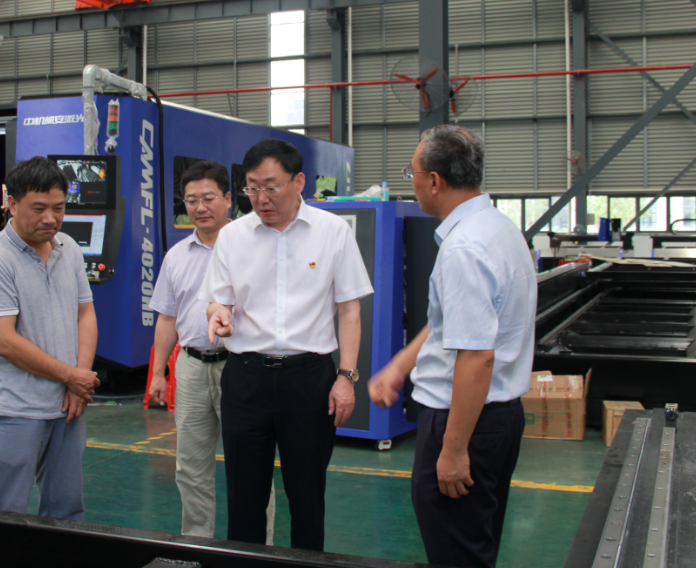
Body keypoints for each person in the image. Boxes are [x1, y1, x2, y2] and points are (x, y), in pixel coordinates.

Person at [369, 125, 535, 568]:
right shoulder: (499, 229)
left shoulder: (465, 247)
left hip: (464, 421)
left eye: (412, 173)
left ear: (435, 181)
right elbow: (453, 326)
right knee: (475, 543)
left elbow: (477, 357)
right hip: (498, 417)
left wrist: (455, 449)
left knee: (457, 553)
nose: (411, 182)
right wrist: (401, 365)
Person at [201, 139, 372, 551]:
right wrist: (218, 314)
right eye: (252, 187)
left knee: (307, 497)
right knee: (244, 498)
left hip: (309, 380)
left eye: (271, 187)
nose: (261, 199)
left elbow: (350, 310)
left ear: (299, 182)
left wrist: (346, 377)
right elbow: (218, 299)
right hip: (246, 379)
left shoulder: (332, 232)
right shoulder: (232, 236)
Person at [0, 156, 101, 521]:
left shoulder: (68, 248)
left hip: (68, 405)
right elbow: (5, 342)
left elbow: (85, 314)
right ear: (11, 203)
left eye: (59, 208)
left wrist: (78, 383)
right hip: (16, 409)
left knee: (66, 510)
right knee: (8, 512)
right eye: (38, 209)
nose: (51, 219)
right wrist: (71, 377)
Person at [148, 160, 275, 542]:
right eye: (191, 200)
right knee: (190, 466)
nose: (200, 207)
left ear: (227, 198)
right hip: (190, 368)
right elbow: (167, 319)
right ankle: (195, 544)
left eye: (208, 198)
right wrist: (158, 373)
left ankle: (257, 549)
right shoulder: (176, 256)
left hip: (242, 366)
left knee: (251, 467)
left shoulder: (256, 246)